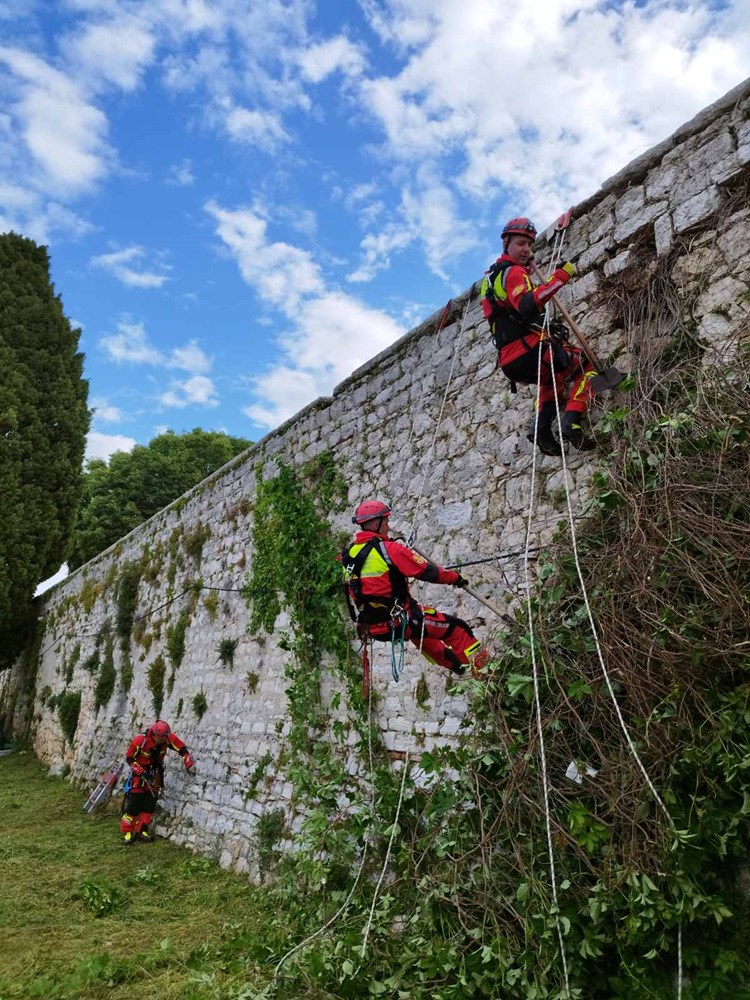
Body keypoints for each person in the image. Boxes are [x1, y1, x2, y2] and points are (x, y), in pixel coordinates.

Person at [481, 216, 596, 456]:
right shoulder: (512, 272)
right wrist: (560, 278)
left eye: (529, 245)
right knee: (586, 364)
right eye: (521, 243)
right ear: (506, 244)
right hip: (531, 350)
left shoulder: (489, 281)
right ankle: (572, 420)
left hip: (510, 362)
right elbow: (525, 305)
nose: (526, 250)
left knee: (548, 381)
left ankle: (541, 428)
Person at [341, 500, 489, 676]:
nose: (388, 527)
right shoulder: (390, 550)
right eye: (386, 522)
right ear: (375, 524)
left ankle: (460, 670)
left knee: (425, 637)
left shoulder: (349, 555)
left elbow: (360, 589)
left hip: (373, 627)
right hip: (400, 620)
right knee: (458, 629)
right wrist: (455, 578)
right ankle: (486, 673)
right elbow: (430, 573)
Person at [120, 720, 196, 844]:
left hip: (155, 775)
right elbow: (129, 758)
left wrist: (188, 762)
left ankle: (142, 831)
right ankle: (128, 832)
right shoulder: (140, 741)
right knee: (134, 805)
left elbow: (182, 749)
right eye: (160, 738)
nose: (163, 740)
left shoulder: (167, 738)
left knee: (149, 805)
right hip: (139, 776)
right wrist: (140, 772)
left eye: (165, 737)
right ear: (154, 735)